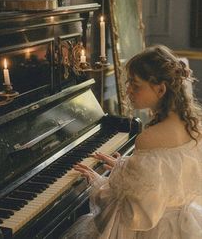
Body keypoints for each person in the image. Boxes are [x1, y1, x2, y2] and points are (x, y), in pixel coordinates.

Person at [61, 45, 202, 239]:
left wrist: (99, 184)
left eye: (135, 85)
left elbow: (133, 213)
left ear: (160, 89)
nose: (128, 90)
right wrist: (125, 168)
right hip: (187, 226)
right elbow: (168, 176)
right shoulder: (194, 126)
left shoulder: (149, 138)